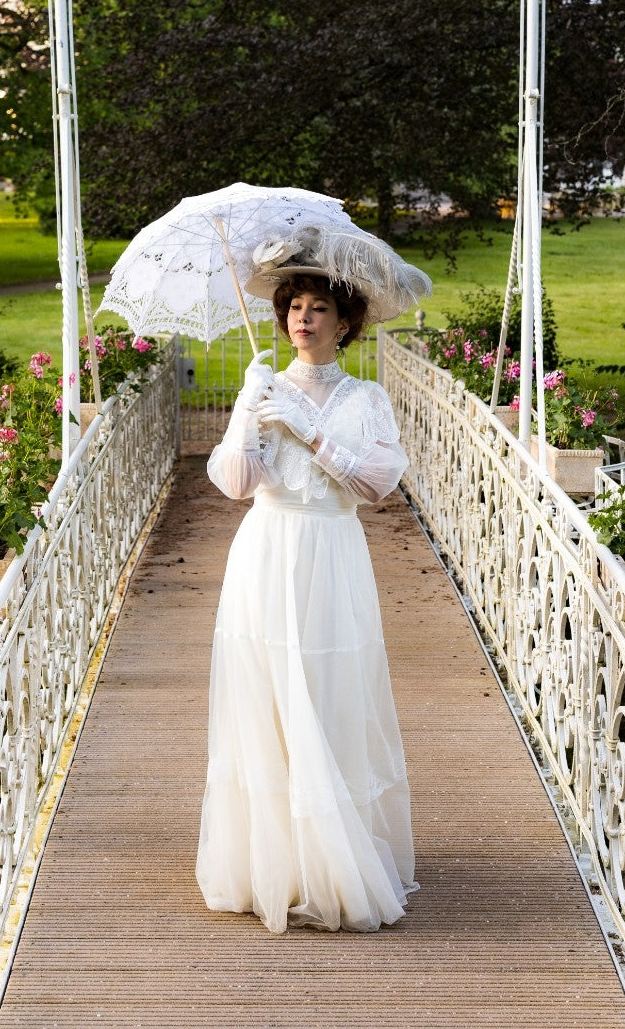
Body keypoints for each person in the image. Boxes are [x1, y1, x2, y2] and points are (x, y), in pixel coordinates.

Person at [195, 266, 418, 934]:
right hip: (267, 550)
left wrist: (311, 431)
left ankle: (334, 856)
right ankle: (274, 864)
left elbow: (376, 483)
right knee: (264, 697)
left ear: (344, 323)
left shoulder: (365, 398)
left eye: (318, 307)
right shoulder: (265, 389)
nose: (302, 317)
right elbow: (237, 484)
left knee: (325, 691)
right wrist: (246, 416)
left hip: (331, 553)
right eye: (293, 306)